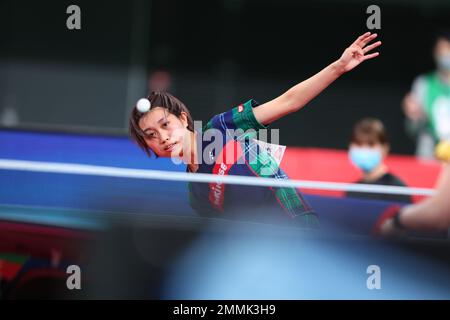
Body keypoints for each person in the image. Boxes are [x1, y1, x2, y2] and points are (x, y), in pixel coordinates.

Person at [129, 32, 381, 228]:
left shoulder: (221, 127)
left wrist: (338, 66)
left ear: (183, 119)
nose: (162, 137)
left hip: (299, 231)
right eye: (151, 135)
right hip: (261, 256)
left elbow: (288, 102)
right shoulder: (196, 191)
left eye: (165, 125)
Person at [402, 30, 450, 159]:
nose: (446, 54)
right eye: (442, 50)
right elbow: (412, 129)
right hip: (430, 157)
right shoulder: (423, 83)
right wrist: (414, 116)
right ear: (435, 52)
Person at [346, 118, 412, 203]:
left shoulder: (396, 189)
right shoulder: (352, 191)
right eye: (359, 144)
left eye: (371, 145)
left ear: (385, 148)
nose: (364, 150)